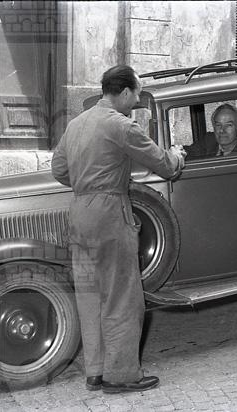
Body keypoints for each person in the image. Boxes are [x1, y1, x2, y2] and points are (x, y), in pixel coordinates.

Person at [51, 65, 186, 393]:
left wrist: (86, 183)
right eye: (137, 93)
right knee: (122, 295)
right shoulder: (121, 125)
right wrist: (177, 155)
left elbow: (59, 170)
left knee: (90, 294)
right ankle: (122, 376)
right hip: (110, 213)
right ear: (124, 92)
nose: (137, 100)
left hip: (79, 212)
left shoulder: (76, 124)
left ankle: (95, 372)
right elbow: (165, 166)